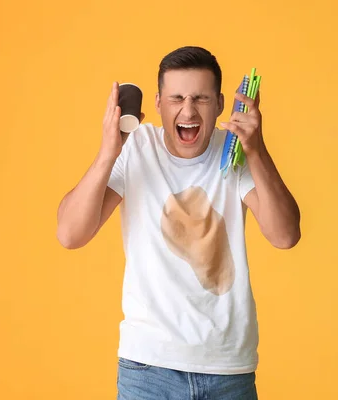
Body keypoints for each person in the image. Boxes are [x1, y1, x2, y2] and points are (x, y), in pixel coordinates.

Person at [56, 46, 301, 399]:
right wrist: (108, 153)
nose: (188, 110)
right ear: (158, 103)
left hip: (228, 370)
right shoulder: (136, 148)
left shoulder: (236, 152)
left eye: (200, 98)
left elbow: (285, 235)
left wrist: (257, 149)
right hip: (148, 371)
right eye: (177, 98)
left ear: (219, 103)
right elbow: (70, 234)